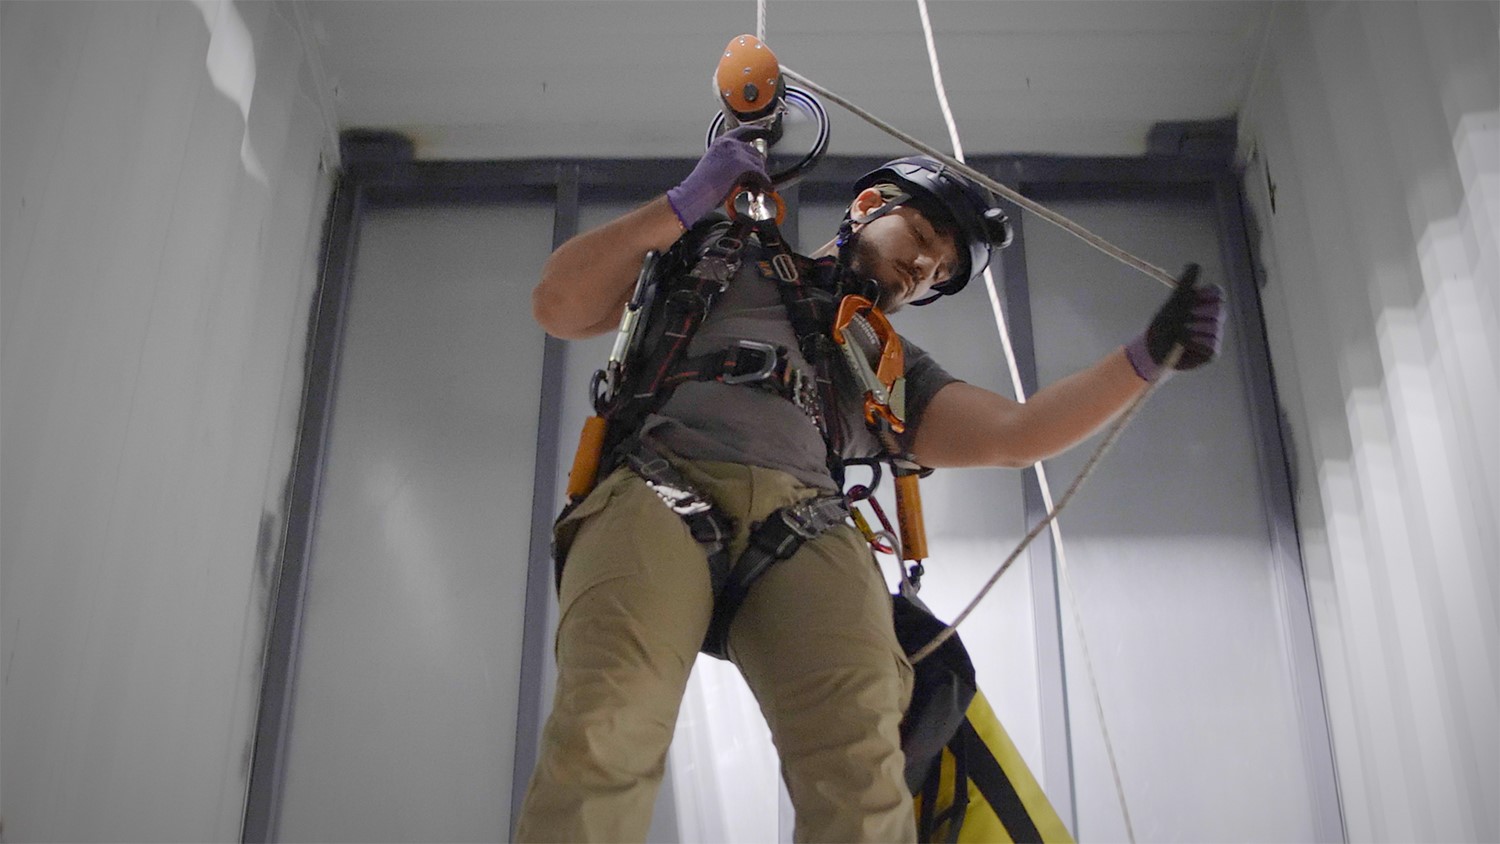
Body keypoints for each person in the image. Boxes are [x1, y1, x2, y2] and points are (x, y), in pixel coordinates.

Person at [516, 128, 1224, 843]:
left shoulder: (888, 366)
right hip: (658, 490)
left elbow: (1018, 435)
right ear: (866, 204)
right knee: (609, 726)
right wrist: (686, 202)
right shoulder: (714, 257)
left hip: (801, 530)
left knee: (863, 773)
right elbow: (559, 304)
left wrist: (1147, 357)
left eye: (940, 271)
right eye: (920, 234)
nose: (923, 265)